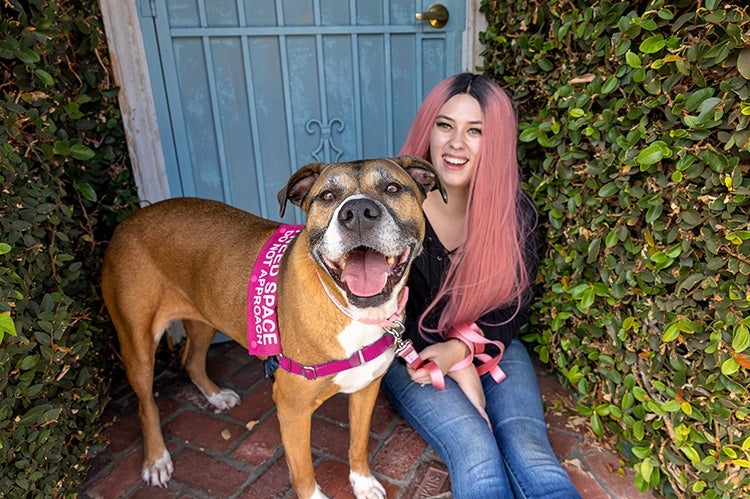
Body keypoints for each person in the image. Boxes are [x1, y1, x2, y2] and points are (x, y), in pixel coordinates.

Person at [382, 73, 581, 498]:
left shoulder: (516, 214)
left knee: (533, 456)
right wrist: (453, 364)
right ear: (427, 129)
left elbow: (515, 305)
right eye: (445, 125)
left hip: (493, 342)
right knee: (477, 455)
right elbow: (382, 313)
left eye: (476, 131)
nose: (456, 144)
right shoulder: (393, 208)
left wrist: (464, 351)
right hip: (411, 357)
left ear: (497, 142)